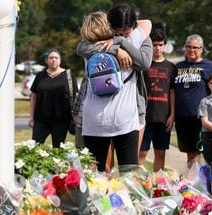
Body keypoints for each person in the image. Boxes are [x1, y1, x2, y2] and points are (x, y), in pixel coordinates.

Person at [77, 8, 152, 172]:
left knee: (96, 174)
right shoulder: (134, 40)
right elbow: (147, 23)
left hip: (94, 120)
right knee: (129, 172)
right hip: (124, 119)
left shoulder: (89, 49)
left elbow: (80, 46)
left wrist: (115, 46)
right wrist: (119, 47)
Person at [174, 34, 212, 166]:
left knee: (208, 153)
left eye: (195, 47)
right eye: (189, 47)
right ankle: (194, 184)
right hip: (183, 117)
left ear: (201, 49)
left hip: (202, 118)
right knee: (191, 154)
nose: (192, 50)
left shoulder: (210, 67)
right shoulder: (178, 67)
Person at [138, 27, 177, 172]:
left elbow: (172, 92)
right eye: (155, 45)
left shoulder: (171, 67)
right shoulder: (144, 66)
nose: (158, 48)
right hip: (146, 116)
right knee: (141, 153)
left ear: (165, 45)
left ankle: (157, 185)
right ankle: (141, 185)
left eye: (161, 44)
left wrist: (172, 115)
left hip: (163, 117)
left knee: (160, 154)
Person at [29, 48, 78, 148]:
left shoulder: (68, 75)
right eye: (51, 58)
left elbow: (75, 96)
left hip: (61, 119)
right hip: (41, 119)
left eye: (56, 58)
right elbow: (34, 97)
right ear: (47, 60)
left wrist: (76, 116)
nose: (54, 60)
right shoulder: (40, 76)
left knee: (58, 149)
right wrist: (31, 117)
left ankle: (58, 165)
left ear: (60, 60)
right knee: (34, 148)